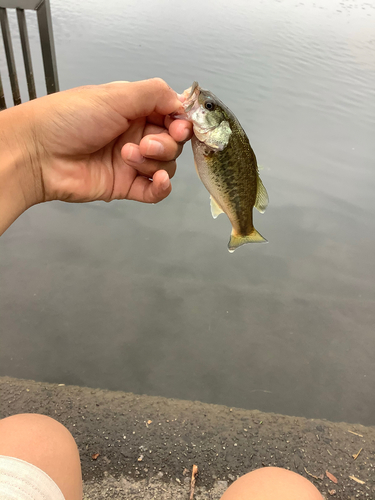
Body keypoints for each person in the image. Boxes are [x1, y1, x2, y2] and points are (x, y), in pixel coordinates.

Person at [0, 78, 323, 500]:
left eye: (207, 108)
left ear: (218, 130)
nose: (198, 103)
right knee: (283, 488)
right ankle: (241, 228)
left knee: (38, 437)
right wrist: (33, 151)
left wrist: (36, 150)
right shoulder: (210, 142)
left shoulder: (215, 145)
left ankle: (241, 227)